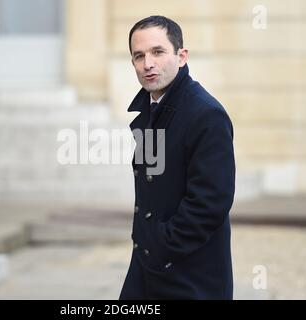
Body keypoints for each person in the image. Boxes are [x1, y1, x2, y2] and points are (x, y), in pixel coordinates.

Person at [119, 15, 236, 300]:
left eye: (158, 52)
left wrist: (162, 246)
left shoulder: (206, 115)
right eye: (139, 56)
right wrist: (147, 246)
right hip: (147, 267)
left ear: (181, 56)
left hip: (190, 274)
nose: (148, 64)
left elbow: (209, 203)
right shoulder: (149, 110)